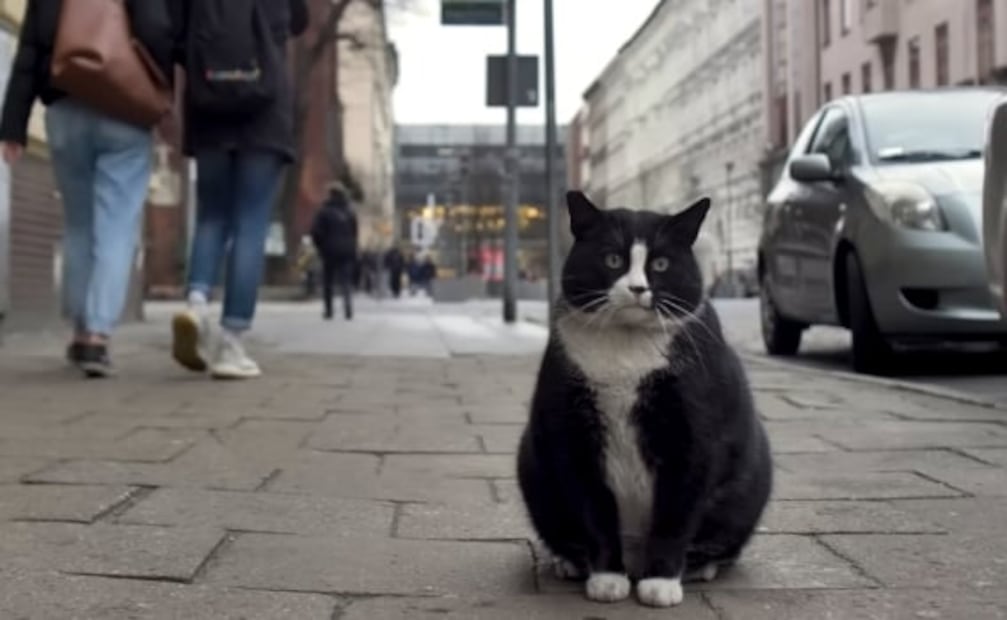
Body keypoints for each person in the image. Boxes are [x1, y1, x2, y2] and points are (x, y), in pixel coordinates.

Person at [0, 0, 176, 378]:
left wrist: (13, 124)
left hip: (65, 107)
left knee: (79, 224)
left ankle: (80, 331)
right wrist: (161, 89)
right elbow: (157, 29)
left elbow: (30, 48)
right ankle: (97, 335)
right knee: (115, 226)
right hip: (123, 106)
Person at [170, 0, 308, 380]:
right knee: (251, 222)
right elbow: (297, 22)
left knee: (212, 214)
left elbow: (175, 33)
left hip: (209, 105)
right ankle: (232, 343)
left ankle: (196, 306)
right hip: (265, 110)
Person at [311, 182, 358, 320]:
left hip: (330, 249)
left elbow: (316, 232)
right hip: (346, 250)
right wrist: (352, 247)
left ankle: (329, 310)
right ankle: (348, 307)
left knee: (328, 280)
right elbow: (354, 233)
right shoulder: (350, 212)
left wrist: (320, 246)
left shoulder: (324, 211)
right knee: (346, 280)